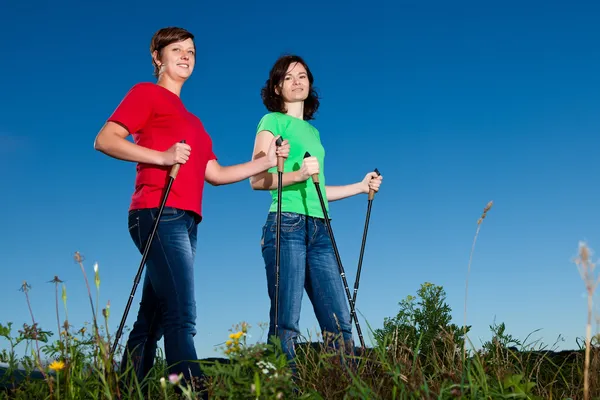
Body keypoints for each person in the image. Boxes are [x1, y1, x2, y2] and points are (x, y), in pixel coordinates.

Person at [93, 27, 289, 389]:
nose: (186, 56)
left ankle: (127, 389)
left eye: (192, 52)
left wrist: (266, 161)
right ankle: (195, 391)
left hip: (187, 220)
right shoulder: (146, 93)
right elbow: (105, 139)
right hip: (156, 210)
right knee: (181, 315)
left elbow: (215, 173)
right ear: (157, 58)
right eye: (177, 50)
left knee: (150, 321)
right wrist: (163, 156)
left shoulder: (194, 123)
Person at [249, 55, 383, 369]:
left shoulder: (314, 134)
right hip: (286, 225)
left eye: (303, 76)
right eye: (289, 77)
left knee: (339, 323)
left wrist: (361, 187)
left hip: (321, 229)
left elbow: (318, 191)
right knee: (286, 324)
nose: (297, 82)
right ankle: (286, 390)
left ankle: (342, 388)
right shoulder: (272, 122)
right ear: (277, 87)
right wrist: (296, 176)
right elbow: (258, 179)